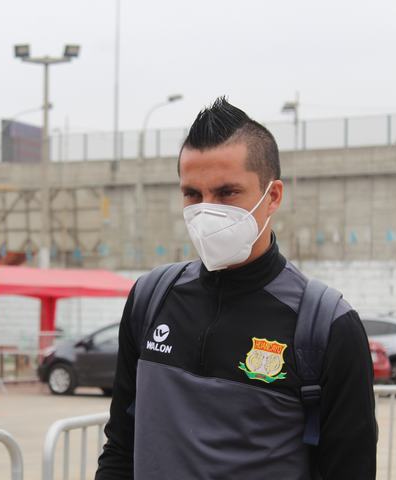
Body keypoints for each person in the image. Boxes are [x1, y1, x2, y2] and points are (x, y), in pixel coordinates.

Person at [95, 97, 377, 479]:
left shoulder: (327, 326)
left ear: (272, 196)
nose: (206, 211)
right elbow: (120, 446)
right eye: (192, 194)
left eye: (226, 193)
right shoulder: (151, 298)